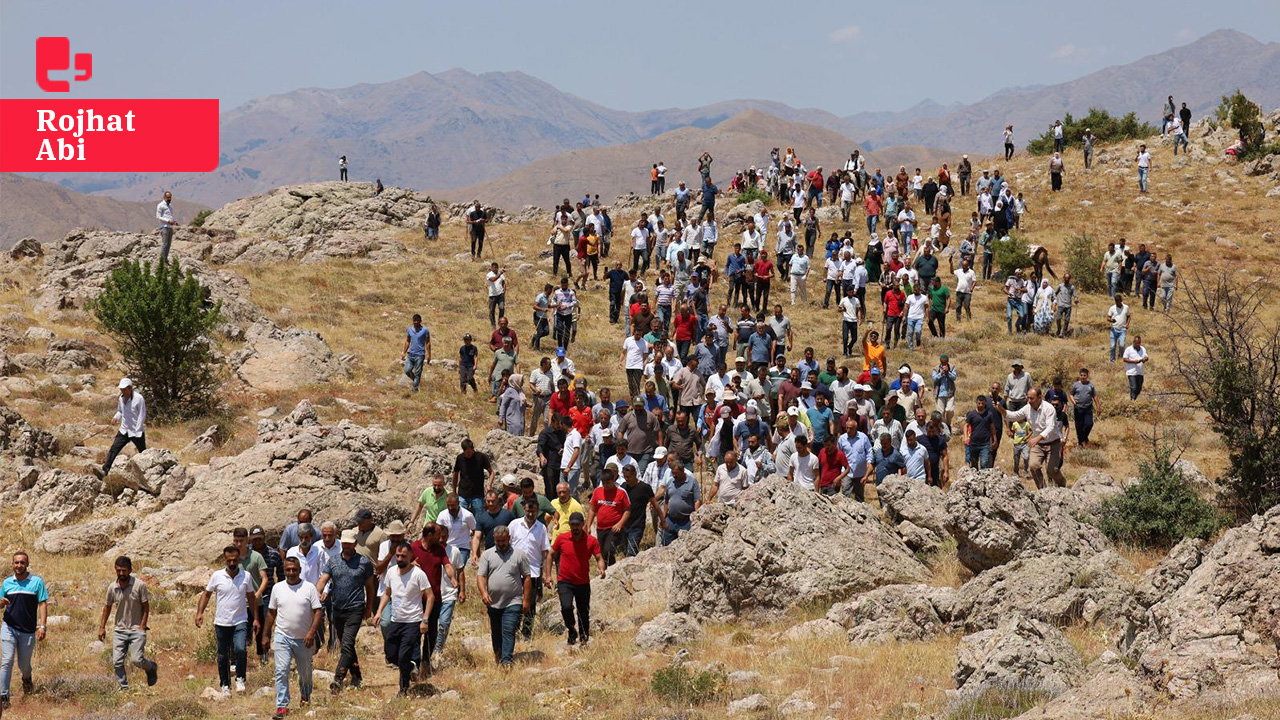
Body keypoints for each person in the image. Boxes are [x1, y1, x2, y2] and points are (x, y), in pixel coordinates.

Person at [316, 529, 375, 693]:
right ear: (341, 544)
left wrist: (369, 607)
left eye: (350, 544)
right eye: (345, 544)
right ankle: (356, 676)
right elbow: (323, 581)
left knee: (347, 644)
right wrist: (315, 594)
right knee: (347, 645)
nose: (347, 547)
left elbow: (370, 587)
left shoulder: (364, 563)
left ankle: (338, 678)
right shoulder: (333, 561)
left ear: (355, 544)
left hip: (355, 608)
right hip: (337, 609)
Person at [196, 546, 258, 695]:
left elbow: (251, 597)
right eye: (229, 560)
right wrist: (200, 612)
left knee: (240, 649)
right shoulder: (217, 576)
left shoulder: (246, 576)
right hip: (222, 621)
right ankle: (225, 685)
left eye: (234, 560)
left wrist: (256, 618)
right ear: (224, 559)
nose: (231, 562)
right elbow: (207, 594)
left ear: (238, 559)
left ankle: (240, 679)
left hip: (240, 620)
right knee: (223, 654)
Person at [264, 557, 322, 718]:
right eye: (288, 570)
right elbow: (271, 613)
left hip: (305, 639)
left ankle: (305, 695)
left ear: (299, 570)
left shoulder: (309, 588)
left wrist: (311, 632)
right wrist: (266, 635)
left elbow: (318, 611)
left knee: (305, 672)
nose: (291, 573)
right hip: (283, 636)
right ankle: (282, 706)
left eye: (294, 570)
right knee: (281, 670)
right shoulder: (278, 588)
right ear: (284, 570)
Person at [375, 543, 432, 696]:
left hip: (413, 621)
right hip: (396, 620)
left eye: (403, 556)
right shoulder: (391, 572)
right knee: (390, 653)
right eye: (398, 556)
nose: (399, 559)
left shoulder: (418, 574)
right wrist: (379, 612)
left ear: (410, 556)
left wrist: (425, 620)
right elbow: (387, 593)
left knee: (403, 655)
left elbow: (430, 596)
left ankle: (403, 688)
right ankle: (411, 665)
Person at [98, 556, 158, 692]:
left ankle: (151, 667)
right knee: (117, 662)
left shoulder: (139, 585)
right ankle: (123, 688)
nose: (121, 573)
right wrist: (102, 627)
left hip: (137, 629)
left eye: (124, 570)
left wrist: (142, 626)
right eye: (118, 570)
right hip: (120, 630)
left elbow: (146, 607)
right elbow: (107, 607)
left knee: (137, 660)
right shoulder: (112, 588)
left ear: (130, 570)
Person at [477, 527, 532, 667]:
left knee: (509, 629)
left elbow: (527, 577)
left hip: (513, 600)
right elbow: (481, 576)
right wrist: (484, 593)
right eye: (497, 541)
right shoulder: (487, 555)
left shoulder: (519, 555)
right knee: (496, 632)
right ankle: (499, 654)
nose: (500, 543)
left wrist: (526, 600)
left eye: (503, 541)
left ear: (509, 538)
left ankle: (506, 661)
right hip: (493, 602)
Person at [551, 512, 604, 646]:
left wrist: (601, 569)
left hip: (582, 582)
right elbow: (550, 554)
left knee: (583, 611)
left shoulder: (591, 541)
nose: (575, 528)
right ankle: (571, 629)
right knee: (566, 607)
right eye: (572, 525)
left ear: (583, 525)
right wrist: (547, 575)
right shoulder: (562, 539)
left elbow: (598, 557)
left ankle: (584, 638)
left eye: (577, 525)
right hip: (565, 580)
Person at [997, 387, 1065, 489]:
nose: (1029, 401)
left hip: (1053, 442)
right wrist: (1001, 410)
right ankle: (1043, 490)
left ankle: (1061, 484)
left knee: (1052, 470)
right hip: (1038, 444)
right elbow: (1014, 416)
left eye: (1031, 398)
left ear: (1040, 397)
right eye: (1028, 398)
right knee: (1033, 466)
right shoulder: (1027, 408)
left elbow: (1050, 426)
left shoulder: (1049, 408)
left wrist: (1037, 438)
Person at [508, 498, 551, 640]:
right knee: (514, 602)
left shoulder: (541, 528)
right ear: (523, 509)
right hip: (514, 571)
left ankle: (526, 633)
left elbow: (545, 552)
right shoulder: (514, 525)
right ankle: (513, 631)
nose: (530, 514)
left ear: (537, 510)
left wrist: (547, 573)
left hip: (533, 572)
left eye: (533, 511)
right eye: (528, 511)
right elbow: (505, 546)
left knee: (530, 604)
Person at [94, 377, 146, 479]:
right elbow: (120, 411)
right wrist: (115, 417)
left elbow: (142, 415)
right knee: (114, 449)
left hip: (136, 431)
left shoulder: (139, 399)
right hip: (124, 429)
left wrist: (138, 430)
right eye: (121, 389)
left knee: (143, 453)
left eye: (124, 389)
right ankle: (105, 471)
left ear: (130, 388)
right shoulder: (121, 398)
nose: (122, 391)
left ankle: (146, 473)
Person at [589, 468, 631, 566]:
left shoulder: (621, 492)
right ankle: (608, 571)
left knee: (608, 550)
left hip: (614, 528)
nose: (606, 485)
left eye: (608, 483)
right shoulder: (597, 491)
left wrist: (620, 524)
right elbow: (592, 509)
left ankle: (611, 569)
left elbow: (627, 510)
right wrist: (588, 525)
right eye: (604, 483)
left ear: (613, 481)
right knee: (602, 553)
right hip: (600, 528)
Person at [656, 463, 700, 545]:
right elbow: (666, 501)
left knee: (685, 545)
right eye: (673, 473)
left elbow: (697, 500)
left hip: (686, 521)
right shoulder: (670, 482)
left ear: (683, 471)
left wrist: (696, 516)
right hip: (671, 520)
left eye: (676, 473)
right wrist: (663, 517)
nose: (674, 475)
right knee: (667, 545)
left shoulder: (692, 482)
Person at [963, 396, 996, 469]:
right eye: (979, 403)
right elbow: (965, 426)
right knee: (974, 465)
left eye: (982, 403)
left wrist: (995, 440)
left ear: (985, 404)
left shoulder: (989, 414)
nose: (980, 405)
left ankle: (983, 479)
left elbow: (992, 428)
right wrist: (965, 437)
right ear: (976, 403)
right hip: (974, 443)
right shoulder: (972, 414)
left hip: (985, 444)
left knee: (984, 463)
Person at [402, 314, 431, 393]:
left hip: (420, 355)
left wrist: (429, 355)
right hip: (411, 354)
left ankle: (415, 389)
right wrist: (404, 352)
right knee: (407, 370)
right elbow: (407, 341)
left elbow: (428, 342)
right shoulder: (410, 329)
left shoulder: (425, 330)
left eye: (417, 321)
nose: (416, 322)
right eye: (414, 321)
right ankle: (416, 381)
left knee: (418, 373)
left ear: (420, 321)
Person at [1123, 335, 1150, 400]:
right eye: (1136, 343)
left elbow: (1146, 357)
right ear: (1133, 342)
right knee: (1134, 387)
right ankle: (1132, 400)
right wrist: (1133, 362)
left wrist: (1144, 359)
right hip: (1131, 372)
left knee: (1139, 388)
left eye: (1139, 343)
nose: (1138, 345)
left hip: (1140, 372)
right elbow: (1125, 359)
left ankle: (1135, 398)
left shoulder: (1143, 349)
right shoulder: (1128, 349)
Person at [156, 190, 178, 265]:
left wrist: (174, 221)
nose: (169, 199)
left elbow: (170, 216)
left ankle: (165, 259)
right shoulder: (161, 205)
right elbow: (158, 217)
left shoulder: (170, 206)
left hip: (170, 227)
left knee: (168, 244)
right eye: (168, 197)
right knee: (164, 244)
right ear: (164, 197)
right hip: (164, 227)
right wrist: (168, 221)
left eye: (170, 197)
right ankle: (161, 261)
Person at [1107, 294, 1131, 363]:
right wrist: (1111, 320)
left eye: (1118, 302)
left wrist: (1127, 324)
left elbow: (1129, 316)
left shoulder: (1126, 307)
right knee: (1112, 346)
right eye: (1116, 302)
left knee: (1121, 345)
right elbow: (1108, 317)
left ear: (1121, 301)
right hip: (1114, 329)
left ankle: (1121, 356)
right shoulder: (1112, 308)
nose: (1117, 304)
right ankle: (1112, 360)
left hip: (1122, 330)